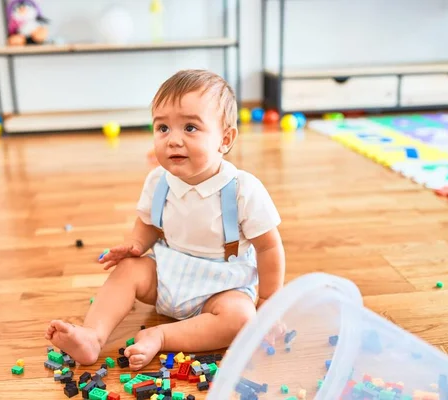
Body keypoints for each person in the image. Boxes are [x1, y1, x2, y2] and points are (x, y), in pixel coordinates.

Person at [45, 69, 285, 370]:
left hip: (223, 285)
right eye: (162, 128)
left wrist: (268, 301)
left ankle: (162, 336)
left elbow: (268, 247)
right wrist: (135, 245)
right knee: (128, 270)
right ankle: (92, 336)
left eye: (190, 128)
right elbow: (149, 224)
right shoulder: (159, 180)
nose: (173, 140)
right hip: (170, 271)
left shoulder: (242, 189)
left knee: (240, 318)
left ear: (225, 139)